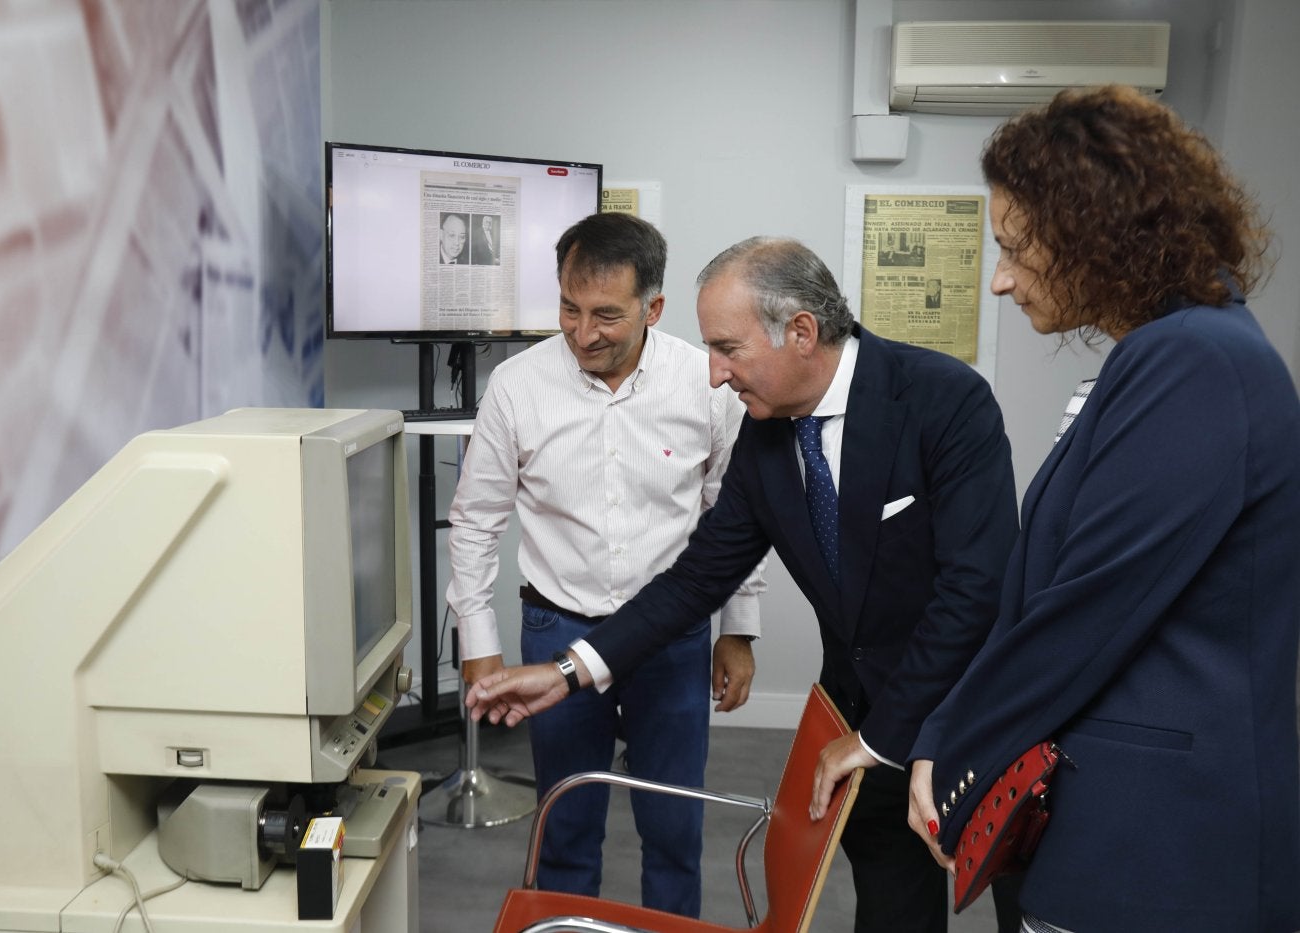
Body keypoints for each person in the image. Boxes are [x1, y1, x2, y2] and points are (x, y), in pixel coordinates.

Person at [468, 235, 1021, 932]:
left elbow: (975, 590)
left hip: (962, 711)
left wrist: (883, 737)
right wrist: (569, 671)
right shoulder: (767, 437)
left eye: (728, 350)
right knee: (894, 901)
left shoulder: (944, 400)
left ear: (800, 331)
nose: (715, 375)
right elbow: (697, 577)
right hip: (859, 714)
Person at [905, 85, 1300, 933]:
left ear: (1097, 233)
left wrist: (950, 758)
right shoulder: (1166, 352)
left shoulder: (1195, 359)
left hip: (1161, 848)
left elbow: (1085, 607)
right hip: (1123, 828)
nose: (1002, 279)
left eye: (1015, 248)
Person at [446, 212, 766, 917]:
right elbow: (476, 519)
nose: (583, 332)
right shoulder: (516, 385)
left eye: (607, 315)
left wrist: (738, 627)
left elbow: (732, 517)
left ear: (653, 307)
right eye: (569, 307)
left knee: (674, 830)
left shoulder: (704, 382)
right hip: (556, 632)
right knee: (566, 826)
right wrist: (477, 646)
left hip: (671, 638)